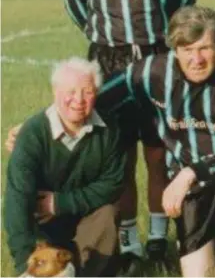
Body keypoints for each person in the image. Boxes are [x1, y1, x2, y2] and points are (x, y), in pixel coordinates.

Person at [63, 0, 197, 270]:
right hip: (109, 61)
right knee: (117, 158)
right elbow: (76, 2)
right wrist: (107, 36)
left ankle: (158, 239)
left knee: (160, 153)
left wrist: (163, 41)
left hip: (159, 57)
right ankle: (128, 242)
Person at [95, 6, 215, 277]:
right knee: (199, 273)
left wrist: (189, 173)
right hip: (193, 184)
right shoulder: (153, 72)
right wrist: (45, 122)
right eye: (187, 49)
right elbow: (96, 99)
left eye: (205, 48)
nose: (196, 58)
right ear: (174, 49)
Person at [4, 58, 125, 277]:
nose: (78, 100)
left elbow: (113, 184)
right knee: (23, 210)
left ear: (96, 94)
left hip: (84, 218)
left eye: (87, 92)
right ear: (55, 92)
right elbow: (17, 198)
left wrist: (60, 203)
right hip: (42, 226)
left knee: (108, 212)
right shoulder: (32, 133)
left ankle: (92, 271)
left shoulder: (110, 130)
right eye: (70, 91)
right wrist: (25, 264)